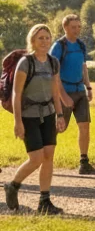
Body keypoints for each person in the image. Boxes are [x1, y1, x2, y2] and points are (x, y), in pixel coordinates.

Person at [4, 24, 68, 214]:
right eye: (40, 38)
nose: (45, 41)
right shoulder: (26, 63)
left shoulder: (53, 62)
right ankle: (13, 185)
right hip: (28, 116)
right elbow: (17, 93)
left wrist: (60, 115)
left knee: (48, 156)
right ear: (32, 40)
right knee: (36, 158)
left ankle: (44, 201)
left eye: (47, 38)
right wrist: (18, 121)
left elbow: (55, 91)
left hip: (48, 114)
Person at [51, 14, 95, 175]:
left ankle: (84, 163)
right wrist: (62, 95)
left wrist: (89, 87)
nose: (77, 30)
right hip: (64, 92)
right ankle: (43, 158)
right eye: (73, 27)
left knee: (84, 126)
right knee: (58, 128)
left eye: (79, 26)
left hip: (80, 91)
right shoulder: (59, 46)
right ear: (65, 27)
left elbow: (83, 67)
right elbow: (54, 73)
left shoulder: (80, 45)